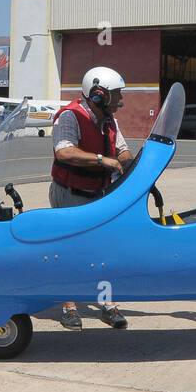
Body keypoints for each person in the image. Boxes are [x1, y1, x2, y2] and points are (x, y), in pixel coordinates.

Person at [49, 66, 133, 330]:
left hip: (98, 193)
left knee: (103, 250)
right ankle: (69, 307)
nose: (121, 100)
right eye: (116, 94)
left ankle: (107, 304)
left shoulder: (109, 121)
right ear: (98, 95)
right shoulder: (69, 117)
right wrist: (100, 160)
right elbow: (63, 152)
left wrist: (135, 166)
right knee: (70, 252)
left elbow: (121, 151)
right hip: (70, 193)